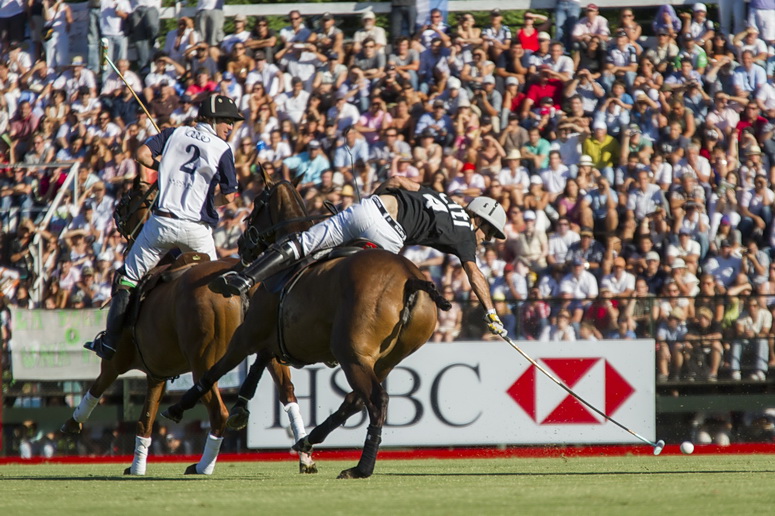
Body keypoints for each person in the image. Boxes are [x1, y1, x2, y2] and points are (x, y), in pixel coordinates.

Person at [210, 176, 511, 338]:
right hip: (389, 236)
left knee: (305, 243)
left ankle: (245, 278)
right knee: (367, 292)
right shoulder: (467, 234)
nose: (488, 240)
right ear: (480, 221)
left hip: (368, 209)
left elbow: (398, 180)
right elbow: (475, 274)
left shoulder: (443, 198)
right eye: (491, 233)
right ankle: (331, 332)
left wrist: (373, 200)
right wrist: (491, 313)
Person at [85, 95, 241, 360]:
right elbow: (229, 196)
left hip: (162, 225)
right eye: (227, 121)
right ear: (211, 120)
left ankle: (110, 343)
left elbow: (141, 155)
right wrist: (207, 201)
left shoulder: (174, 133)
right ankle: (234, 341)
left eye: (233, 122)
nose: (231, 127)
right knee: (220, 288)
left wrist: (166, 170)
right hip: (197, 230)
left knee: (127, 279)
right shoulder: (222, 149)